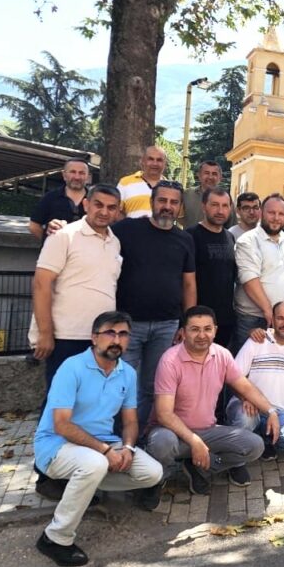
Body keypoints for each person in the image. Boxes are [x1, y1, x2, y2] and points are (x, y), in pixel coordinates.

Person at [32, 311, 164, 566]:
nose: (116, 340)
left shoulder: (127, 373)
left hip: (104, 444)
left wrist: (128, 448)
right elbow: (61, 424)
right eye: (110, 333)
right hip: (56, 445)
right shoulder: (72, 367)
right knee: (94, 464)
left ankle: (85, 485)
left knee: (152, 473)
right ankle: (55, 537)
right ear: (94, 338)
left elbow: (130, 421)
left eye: (123, 334)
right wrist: (105, 451)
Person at [142, 306, 275, 499]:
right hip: (171, 433)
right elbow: (164, 414)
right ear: (183, 332)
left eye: (207, 329)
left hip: (207, 431)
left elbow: (245, 386)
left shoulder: (222, 355)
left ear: (215, 330)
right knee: (162, 442)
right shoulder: (169, 360)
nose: (201, 335)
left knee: (254, 446)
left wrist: (270, 411)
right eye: (195, 329)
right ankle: (160, 477)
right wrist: (194, 441)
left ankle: (199, 468)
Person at [112, 181, 196, 428]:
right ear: (152, 202)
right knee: (121, 384)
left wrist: (187, 323)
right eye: (162, 200)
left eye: (173, 202)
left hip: (167, 325)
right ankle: (115, 437)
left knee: (153, 386)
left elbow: (189, 284)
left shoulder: (185, 239)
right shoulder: (127, 230)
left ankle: (137, 436)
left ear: (180, 207)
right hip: (128, 324)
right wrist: (59, 226)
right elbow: (96, 231)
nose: (167, 207)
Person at [31, 184, 123, 386]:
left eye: (111, 207)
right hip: (66, 336)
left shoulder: (115, 242)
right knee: (61, 398)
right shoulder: (64, 235)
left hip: (101, 337)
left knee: (91, 397)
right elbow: (41, 284)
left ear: (118, 211)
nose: (104, 212)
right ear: (86, 204)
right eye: (98, 205)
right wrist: (45, 333)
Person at [227, 300, 284, 458]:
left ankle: (265, 442)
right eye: (280, 318)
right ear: (272, 319)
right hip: (249, 404)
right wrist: (244, 397)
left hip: (281, 412)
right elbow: (233, 377)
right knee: (246, 420)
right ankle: (237, 456)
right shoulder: (257, 340)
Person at [233, 194, 284, 354]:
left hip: (282, 319)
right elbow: (249, 280)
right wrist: (269, 311)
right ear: (261, 213)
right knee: (248, 365)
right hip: (255, 319)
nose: (276, 218)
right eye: (271, 213)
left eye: (281, 214)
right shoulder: (248, 241)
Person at [186, 188, 237, 349]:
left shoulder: (230, 237)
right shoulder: (190, 236)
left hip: (224, 319)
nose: (220, 211)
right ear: (204, 206)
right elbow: (186, 281)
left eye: (225, 205)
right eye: (215, 205)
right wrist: (188, 318)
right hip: (199, 320)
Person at [29, 158, 90, 241]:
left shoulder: (95, 200)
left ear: (88, 176)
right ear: (64, 175)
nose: (77, 177)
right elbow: (33, 226)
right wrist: (49, 241)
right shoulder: (50, 197)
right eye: (73, 172)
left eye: (81, 173)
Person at [117, 145, 169, 219]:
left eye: (159, 160)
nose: (155, 163)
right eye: (151, 159)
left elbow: (180, 218)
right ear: (142, 161)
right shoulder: (125, 183)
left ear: (165, 163)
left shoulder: (171, 188)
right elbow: (117, 212)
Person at [182, 160, 223, 227]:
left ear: (220, 178)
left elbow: (231, 226)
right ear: (199, 175)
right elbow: (178, 217)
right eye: (206, 173)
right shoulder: (187, 194)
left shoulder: (226, 199)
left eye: (214, 174)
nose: (210, 177)